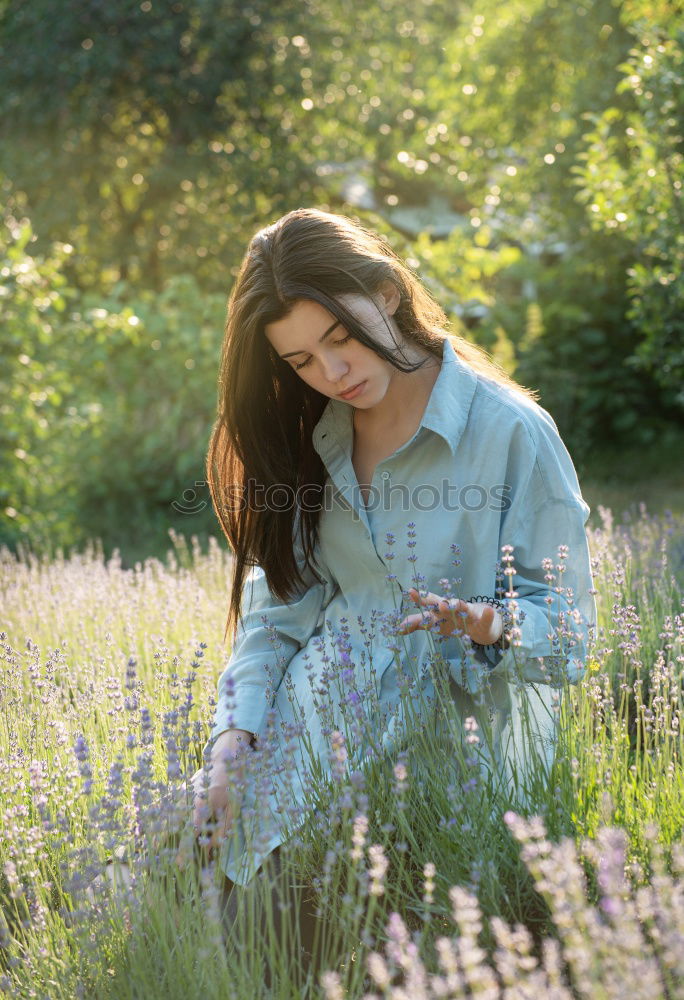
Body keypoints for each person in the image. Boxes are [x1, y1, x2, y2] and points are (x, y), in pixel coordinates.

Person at [191, 207, 595, 959]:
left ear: (385, 292)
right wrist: (233, 736)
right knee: (245, 940)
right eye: (302, 361)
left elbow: (569, 632)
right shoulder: (312, 436)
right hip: (310, 750)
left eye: (339, 339)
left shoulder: (510, 433)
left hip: (452, 777)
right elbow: (276, 614)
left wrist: (489, 623)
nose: (332, 374)